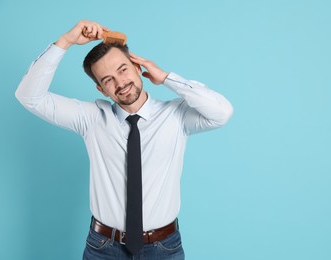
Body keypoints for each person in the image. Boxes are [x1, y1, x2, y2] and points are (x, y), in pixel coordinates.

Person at [15, 20, 233, 260]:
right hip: (103, 248)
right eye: (107, 80)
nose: (120, 83)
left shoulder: (176, 116)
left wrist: (167, 78)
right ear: (101, 90)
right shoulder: (91, 119)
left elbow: (221, 112)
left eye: (123, 69)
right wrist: (65, 41)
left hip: (164, 248)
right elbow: (29, 97)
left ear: (137, 67)